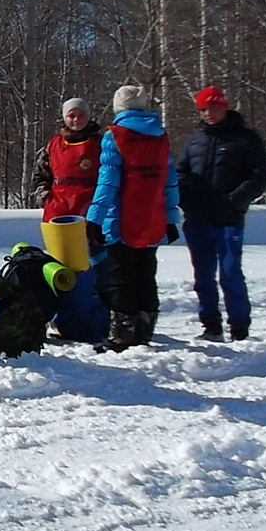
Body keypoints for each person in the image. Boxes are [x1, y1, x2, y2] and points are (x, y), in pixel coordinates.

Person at [86, 85, 180, 352]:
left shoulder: (115, 136)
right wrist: (171, 219)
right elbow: (169, 182)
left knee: (121, 278)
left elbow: (108, 183)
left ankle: (122, 335)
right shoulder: (161, 137)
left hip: (120, 221)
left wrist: (94, 219)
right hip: (152, 219)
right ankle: (144, 331)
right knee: (146, 274)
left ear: (119, 108)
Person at [177, 85, 266, 342]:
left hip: (228, 219)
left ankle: (239, 327)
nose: (209, 113)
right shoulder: (196, 139)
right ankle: (210, 325)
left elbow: (259, 176)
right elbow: (180, 173)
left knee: (230, 273)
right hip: (197, 218)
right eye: (203, 109)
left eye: (213, 108)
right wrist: (185, 199)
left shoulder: (245, 139)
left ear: (224, 107)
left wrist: (234, 201)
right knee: (203, 275)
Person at [31, 97, 103, 221]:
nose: (76, 119)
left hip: (92, 209)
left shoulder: (101, 143)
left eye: (81, 115)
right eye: (71, 115)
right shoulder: (53, 144)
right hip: (58, 209)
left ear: (88, 117)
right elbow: (41, 175)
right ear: (65, 118)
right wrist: (44, 198)